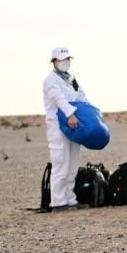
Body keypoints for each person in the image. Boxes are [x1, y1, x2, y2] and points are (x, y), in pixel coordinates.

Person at [43, 47, 89, 212]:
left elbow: (81, 97)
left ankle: (70, 200)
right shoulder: (51, 80)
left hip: (74, 125)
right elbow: (59, 99)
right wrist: (70, 114)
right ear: (54, 62)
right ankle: (58, 202)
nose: (65, 62)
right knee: (61, 163)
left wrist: (91, 114)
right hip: (58, 125)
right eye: (61, 60)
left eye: (67, 59)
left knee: (72, 164)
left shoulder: (71, 79)